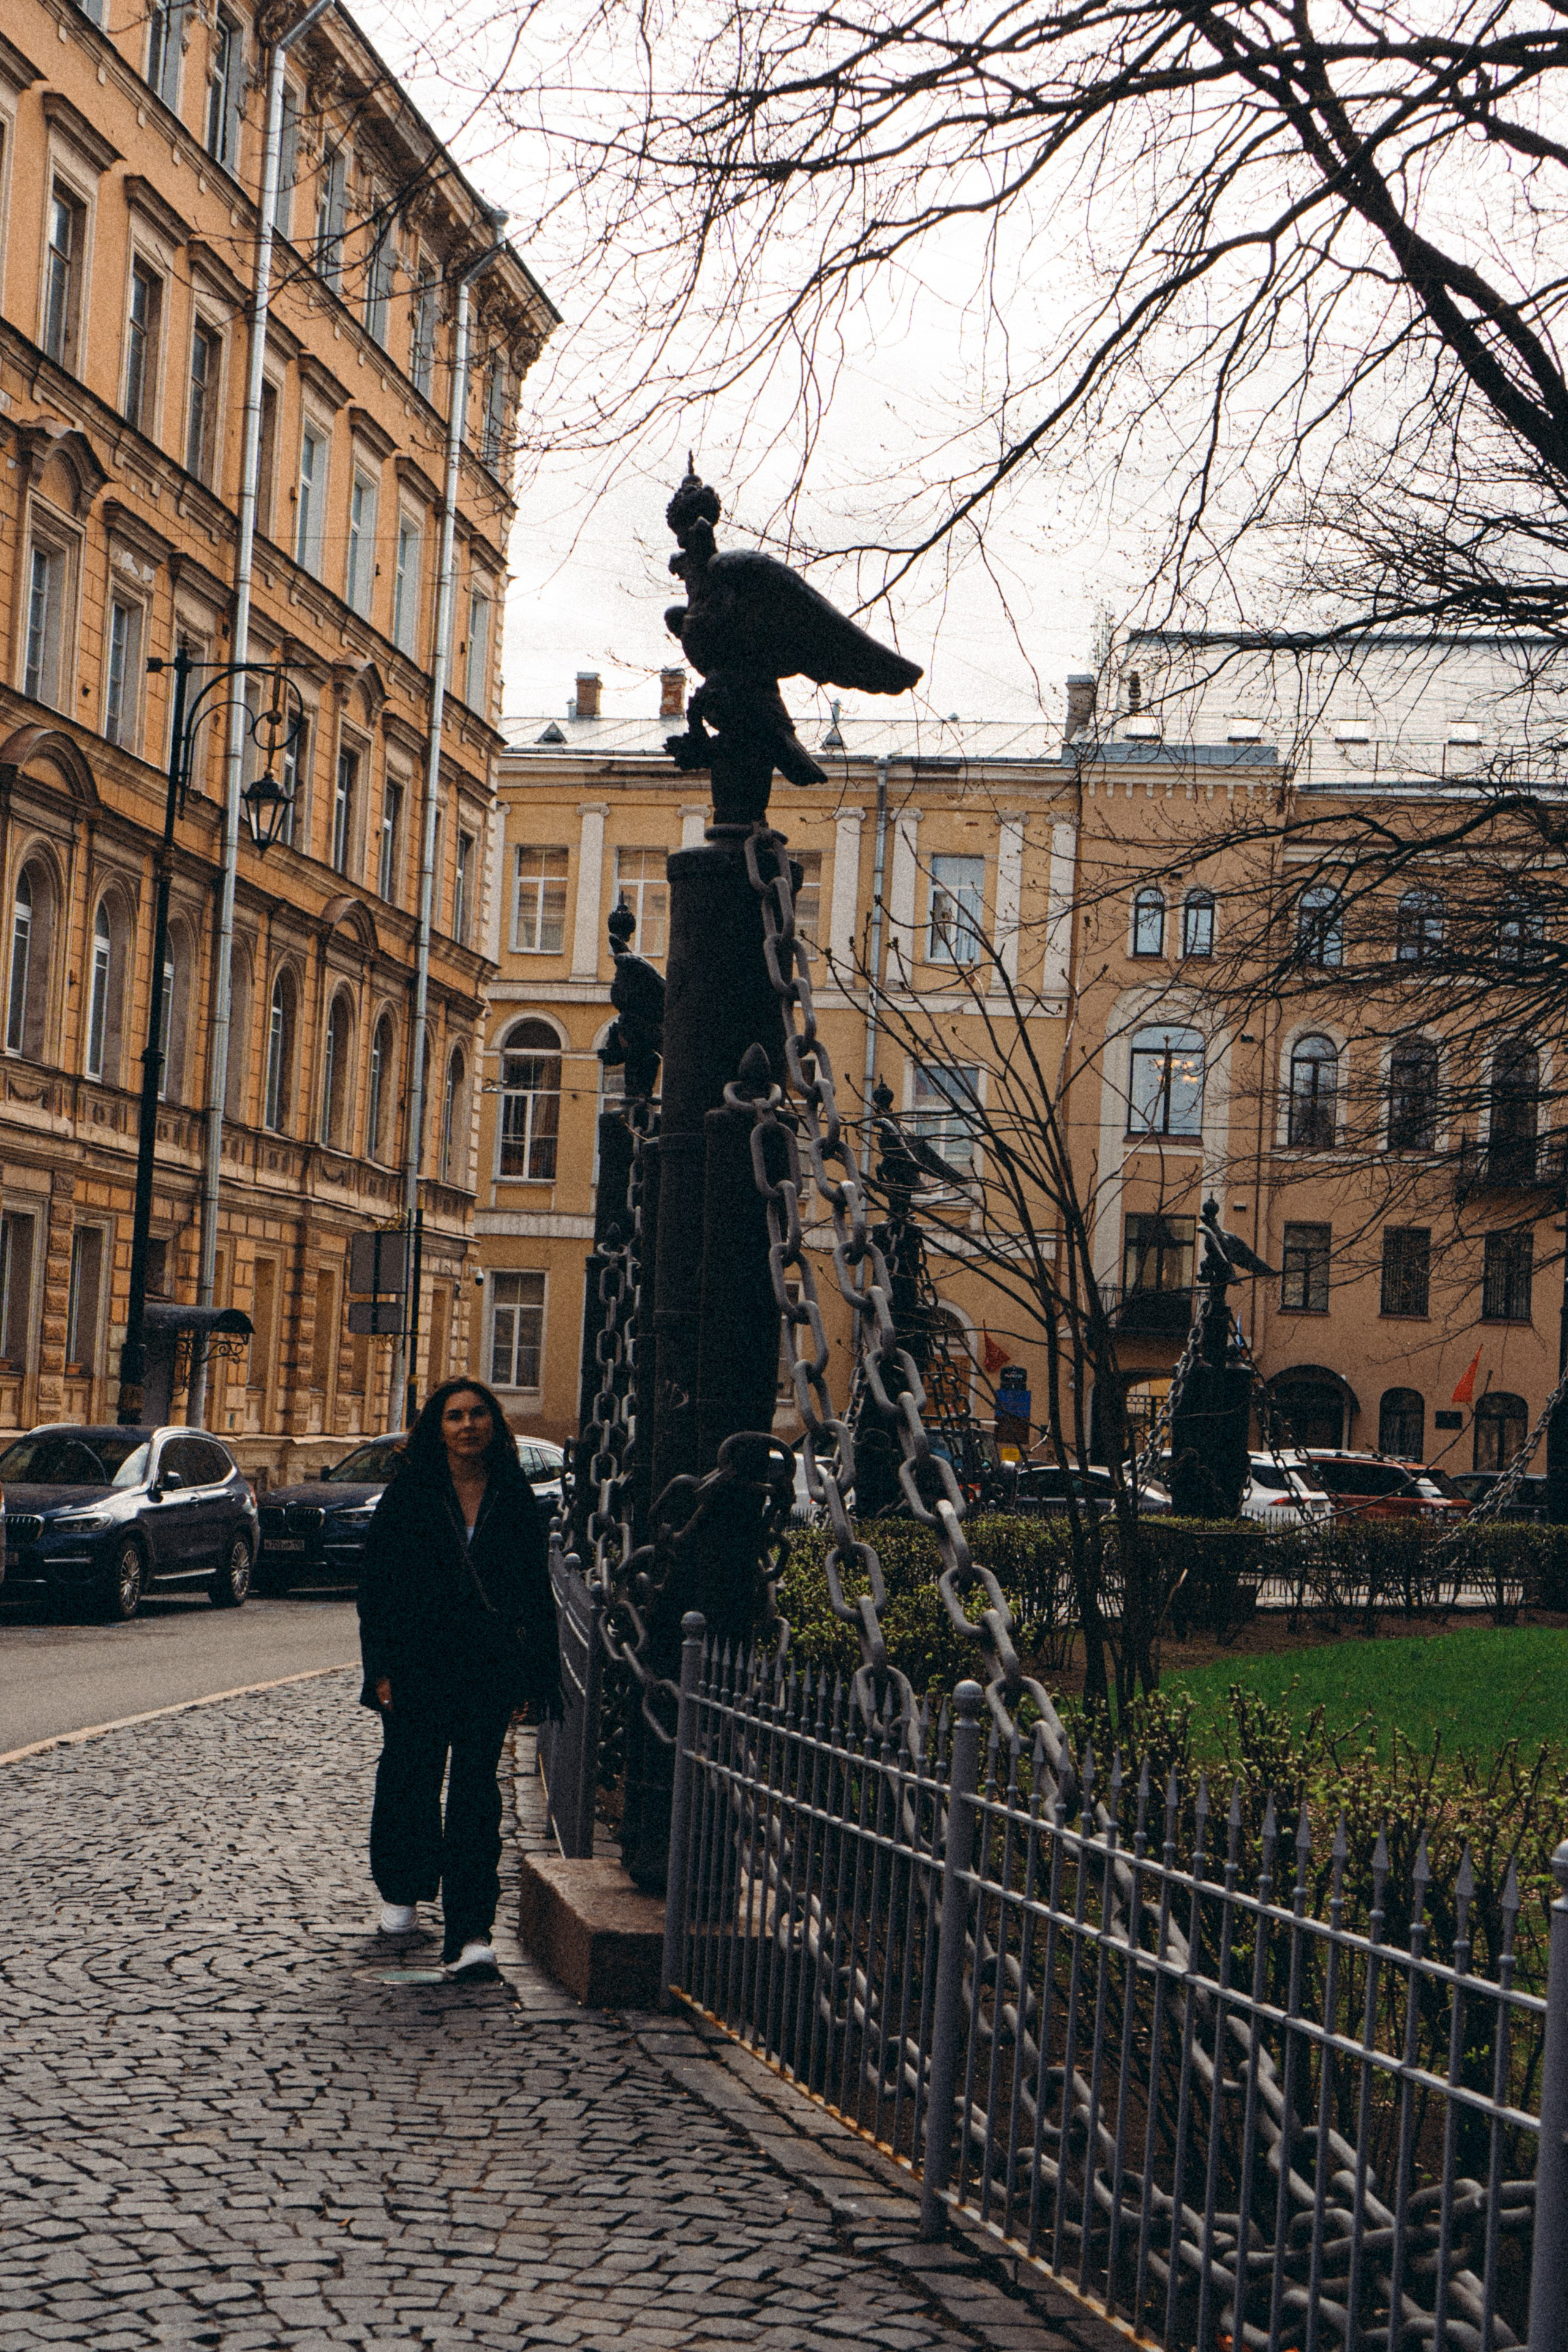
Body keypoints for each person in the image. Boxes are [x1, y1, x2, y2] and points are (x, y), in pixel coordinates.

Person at [356, 1377, 562, 1979]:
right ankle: (402, 1888)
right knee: (410, 1781)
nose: (467, 1425)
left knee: (476, 1796)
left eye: (477, 1414)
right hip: (418, 1665)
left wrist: (533, 1675)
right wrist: (381, 1670)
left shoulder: (515, 1497)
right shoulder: (411, 1495)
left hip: (487, 1669)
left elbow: (534, 1593)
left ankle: (471, 1932)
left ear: (493, 1423)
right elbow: (377, 1590)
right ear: (436, 1429)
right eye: (454, 1417)